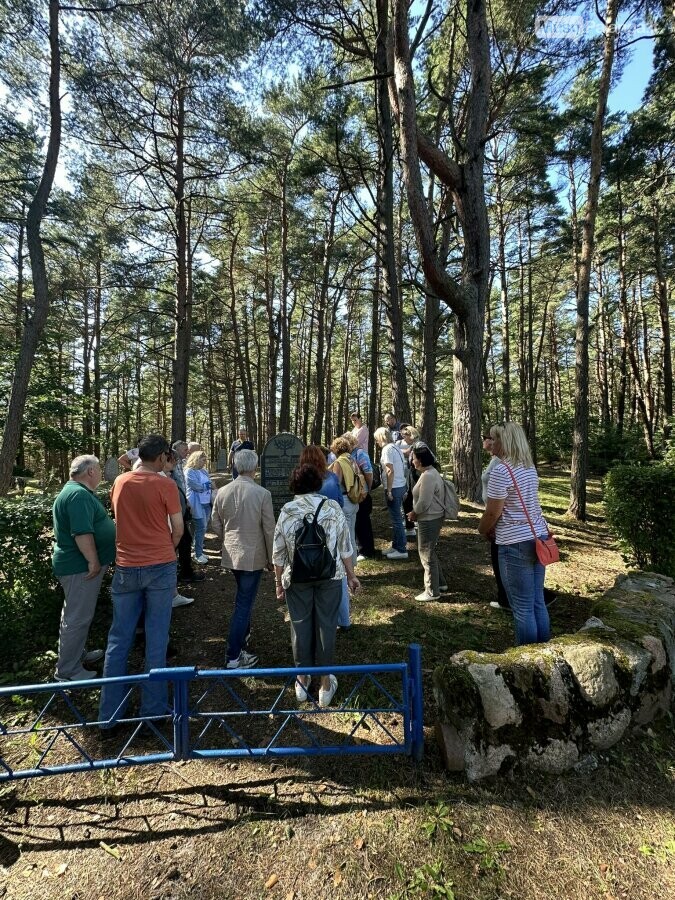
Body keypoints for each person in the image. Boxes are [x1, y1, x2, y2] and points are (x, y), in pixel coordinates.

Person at [99, 435, 184, 727]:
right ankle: (153, 711)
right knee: (156, 637)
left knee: (118, 639)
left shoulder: (120, 482)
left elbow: (118, 517)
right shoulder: (166, 485)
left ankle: (108, 716)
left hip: (126, 566)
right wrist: (166, 549)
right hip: (159, 566)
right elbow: (178, 528)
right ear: (161, 457)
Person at [273, 464, 360, 707]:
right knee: (326, 626)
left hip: (297, 578)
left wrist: (278, 583)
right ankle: (324, 684)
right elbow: (345, 546)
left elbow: (278, 552)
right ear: (317, 483)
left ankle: (301, 680)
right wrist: (351, 576)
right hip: (329, 577)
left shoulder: (288, 510)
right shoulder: (332, 507)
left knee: (299, 625)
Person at [478, 422, 551, 646]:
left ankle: (528, 661)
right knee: (537, 601)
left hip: (514, 542)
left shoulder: (502, 470)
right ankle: (545, 652)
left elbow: (493, 512)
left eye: (495, 439)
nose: (491, 444)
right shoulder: (528, 466)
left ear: (505, 441)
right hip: (537, 536)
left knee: (522, 607)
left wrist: (482, 530)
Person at [51, 455, 116, 681]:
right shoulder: (78, 495)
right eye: (98, 470)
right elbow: (81, 532)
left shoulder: (76, 492)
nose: (100, 474)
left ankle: (76, 655)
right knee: (77, 617)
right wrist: (93, 561)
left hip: (78, 567)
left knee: (75, 614)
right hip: (79, 567)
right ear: (90, 472)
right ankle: (68, 671)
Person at [211, 449, 275, 669]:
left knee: (242, 598)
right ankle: (233, 657)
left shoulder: (222, 491)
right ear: (254, 468)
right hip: (252, 556)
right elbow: (269, 529)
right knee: (243, 605)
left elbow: (215, 523)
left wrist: (226, 539)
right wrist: (271, 557)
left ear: (237, 467)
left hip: (232, 553)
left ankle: (243, 636)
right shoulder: (262, 494)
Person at [407, 445, 447, 602]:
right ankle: (440, 583)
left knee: (425, 552)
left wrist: (414, 512)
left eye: (414, 458)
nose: (412, 461)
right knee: (430, 551)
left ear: (421, 460)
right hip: (431, 517)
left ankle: (432, 591)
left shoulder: (428, 476)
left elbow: (424, 502)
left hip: (429, 518)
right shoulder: (429, 473)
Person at [481, 431, 510, 610]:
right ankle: (504, 597)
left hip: (499, 516)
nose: (485, 441)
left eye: (489, 438)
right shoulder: (495, 461)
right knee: (497, 557)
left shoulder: (500, 464)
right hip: (494, 513)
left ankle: (506, 599)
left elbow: (500, 497)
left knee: (500, 558)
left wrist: (486, 525)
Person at [170, 441, 205, 585]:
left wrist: (186, 500)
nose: (187, 453)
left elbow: (182, 484)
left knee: (185, 540)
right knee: (183, 539)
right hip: (174, 506)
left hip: (182, 503)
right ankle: (183, 572)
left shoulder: (179, 463)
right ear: (176, 450)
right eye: (184, 450)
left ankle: (183, 570)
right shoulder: (171, 464)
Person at [374, 426, 408, 559]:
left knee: (397, 520)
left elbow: (390, 470)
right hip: (400, 485)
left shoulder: (387, 449)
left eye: (376, 439)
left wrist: (388, 490)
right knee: (397, 518)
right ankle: (396, 546)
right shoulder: (395, 447)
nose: (376, 442)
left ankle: (401, 549)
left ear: (381, 437)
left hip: (394, 487)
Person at [345, 433, 374, 560]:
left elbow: (368, 472)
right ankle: (362, 547)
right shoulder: (350, 454)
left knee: (363, 522)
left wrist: (368, 488)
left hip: (363, 493)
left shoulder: (360, 453)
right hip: (355, 493)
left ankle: (366, 550)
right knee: (358, 522)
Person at [185, 450, 212, 564]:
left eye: (205, 459)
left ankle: (198, 550)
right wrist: (209, 485)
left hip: (206, 503)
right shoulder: (189, 471)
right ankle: (198, 554)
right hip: (196, 504)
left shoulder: (204, 471)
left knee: (202, 528)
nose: (204, 462)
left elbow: (208, 483)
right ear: (196, 459)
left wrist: (208, 485)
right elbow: (196, 486)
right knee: (200, 527)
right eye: (202, 459)